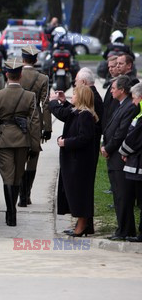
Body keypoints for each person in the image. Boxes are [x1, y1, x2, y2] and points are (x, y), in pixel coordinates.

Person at [0, 58, 40, 226]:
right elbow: (34, 122)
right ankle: (12, 211)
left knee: (8, 177)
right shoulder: (30, 96)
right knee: (17, 177)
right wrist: (34, 145)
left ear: (7, 74)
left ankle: (11, 214)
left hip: (4, 141)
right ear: (21, 75)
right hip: (23, 141)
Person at [49, 85, 98, 236]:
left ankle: (82, 226)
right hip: (75, 161)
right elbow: (70, 117)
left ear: (82, 97)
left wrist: (66, 142)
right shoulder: (79, 113)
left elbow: (84, 138)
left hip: (80, 163)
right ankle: (83, 224)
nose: (72, 97)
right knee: (75, 193)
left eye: (75, 95)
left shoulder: (85, 116)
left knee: (80, 194)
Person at [101, 75, 138, 240]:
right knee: (118, 194)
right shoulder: (120, 104)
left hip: (118, 156)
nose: (112, 91)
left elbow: (121, 132)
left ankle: (125, 230)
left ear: (122, 90)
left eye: (114, 88)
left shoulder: (130, 106)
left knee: (123, 195)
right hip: (113, 156)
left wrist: (108, 148)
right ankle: (122, 228)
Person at [18, 45, 50, 207]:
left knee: (18, 158)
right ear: (36, 60)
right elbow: (45, 104)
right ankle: (26, 194)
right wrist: (48, 128)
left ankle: (19, 195)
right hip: (34, 121)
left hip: (16, 121)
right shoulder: (42, 78)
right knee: (32, 158)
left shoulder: (15, 75)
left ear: (23, 59)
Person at [119, 83, 142, 242]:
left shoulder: (140, 117)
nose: (133, 102)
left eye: (134, 98)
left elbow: (134, 138)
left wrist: (123, 152)